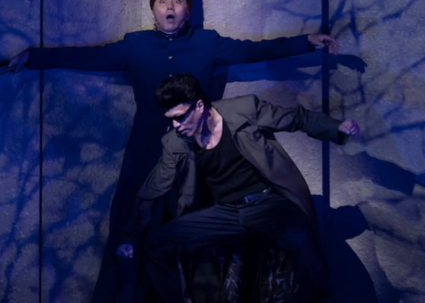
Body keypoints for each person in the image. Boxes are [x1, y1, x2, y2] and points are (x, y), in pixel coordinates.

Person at [8, 0, 339, 302]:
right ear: (153, 8)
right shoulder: (134, 45)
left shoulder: (207, 43)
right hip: (145, 153)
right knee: (132, 225)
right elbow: (88, 56)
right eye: (163, 0)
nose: (170, 7)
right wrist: (34, 57)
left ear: (188, 10)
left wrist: (305, 42)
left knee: (193, 236)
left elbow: (252, 51)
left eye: (178, 1)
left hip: (196, 157)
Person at [117, 74, 360, 303]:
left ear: (199, 106)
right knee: (157, 243)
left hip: (268, 203)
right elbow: (152, 190)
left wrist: (335, 127)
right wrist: (131, 236)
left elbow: (296, 118)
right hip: (226, 213)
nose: (175, 125)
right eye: (170, 118)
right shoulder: (175, 143)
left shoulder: (243, 109)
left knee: (301, 239)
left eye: (180, 116)